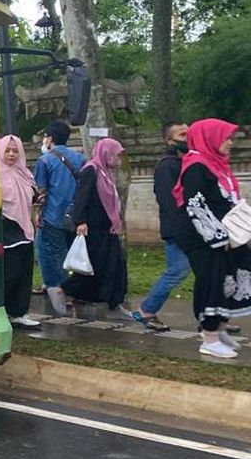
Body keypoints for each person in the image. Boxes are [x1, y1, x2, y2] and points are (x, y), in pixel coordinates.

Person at [172, 118, 251, 358]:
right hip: (202, 236)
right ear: (211, 138)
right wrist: (218, 238)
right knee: (212, 279)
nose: (230, 143)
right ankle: (209, 337)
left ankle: (219, 328)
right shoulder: (197, 166)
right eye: (226, 138)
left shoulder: (216, 164)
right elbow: (195, 205)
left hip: (222, 233)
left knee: (228, 275)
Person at [131, 121, 191, 332]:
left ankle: (216, 317)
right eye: (183, 135)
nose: (188, 138)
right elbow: (169, 201)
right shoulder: (167, 166)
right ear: (169, 141)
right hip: (178, 229)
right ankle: (147, 309)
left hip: (192, 228)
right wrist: (182, 228)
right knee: (177, 271)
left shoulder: (185, 162)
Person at [61, 138, 129, 313]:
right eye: (115, 155)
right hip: (93, 227)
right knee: (93, 266)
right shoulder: (91, 170)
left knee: (112, 263)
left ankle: (112, 299)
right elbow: (82, 197)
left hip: (106, 228)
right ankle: (65, 290)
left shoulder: (106, 173)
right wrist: (81, 221)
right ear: (107, 153)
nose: (118, 159)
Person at [34, 120, 85, 315]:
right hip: (74, 216)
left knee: (52, 255)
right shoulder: (80, 158)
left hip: (52, 216)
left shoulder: (45, 161)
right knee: (72, 256)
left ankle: (60, 293)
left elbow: (40, 191)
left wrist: (37, 215)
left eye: (45, 136)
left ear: (50, 138)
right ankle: (73, 290)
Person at [0, 135, 40, 328]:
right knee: (10, 272)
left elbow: (31, 195)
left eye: (15, 151)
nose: (12, 154)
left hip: (25, 229)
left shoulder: (24, 173)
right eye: (7, 150)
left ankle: (19, 312)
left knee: (24, 271)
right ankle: (2, 311)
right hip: (6, 229)